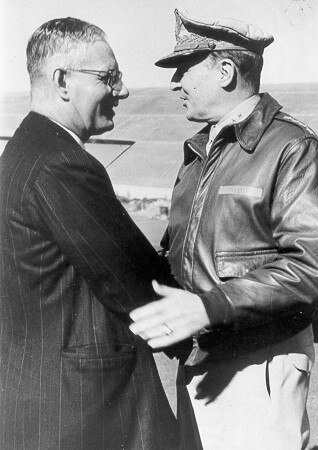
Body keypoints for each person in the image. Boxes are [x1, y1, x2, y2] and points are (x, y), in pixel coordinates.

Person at [129, 8, 318, 450]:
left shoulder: (293, 148)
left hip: (259, 364)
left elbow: (311, 269)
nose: (174, 83)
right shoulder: (200, 151)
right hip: (204, 359)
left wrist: (210, 307)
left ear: (225, 71)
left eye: (185, 69)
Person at [0, 17, 183, 450]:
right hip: (83, 408)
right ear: (62, 80)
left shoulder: (21, 153)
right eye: (109, 77)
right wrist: (220, 315)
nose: (121, 91)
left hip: (33, 397)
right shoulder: (64, 165)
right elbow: (138, 286)